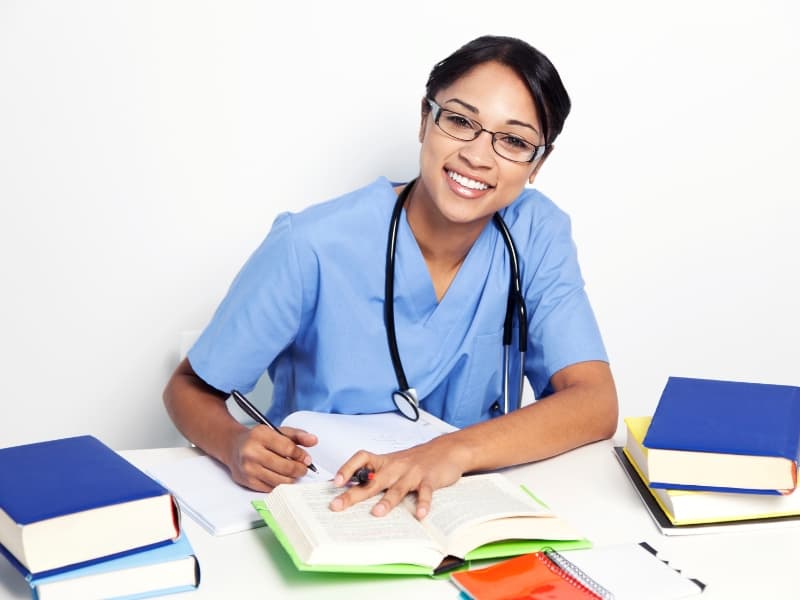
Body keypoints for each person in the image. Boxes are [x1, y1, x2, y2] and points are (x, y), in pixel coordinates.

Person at [163, 35, 618, 520]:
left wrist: (451, 452)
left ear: (538, 163)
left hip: (462, 504)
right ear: (425, 119)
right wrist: (235, 445)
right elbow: (188, 388)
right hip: (330, 503)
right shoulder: (313, 243)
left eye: (513, 141)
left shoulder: (535, 232)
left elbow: (595, 401)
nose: (479, 157)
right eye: (461, 120)